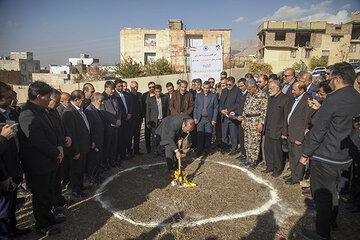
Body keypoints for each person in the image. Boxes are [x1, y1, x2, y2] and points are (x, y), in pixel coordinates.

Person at [300, 62, 360, 240]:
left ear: (339, 79)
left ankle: (322, 233)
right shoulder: (357, 97)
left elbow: (319, 130)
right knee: (334, 192)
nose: (328, 80)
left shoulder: (333, 99)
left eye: (330, 77)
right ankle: (331, 222)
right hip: (345, 157)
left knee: (324, 196)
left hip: (327, 157)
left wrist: (306, 153)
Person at [19, 81, 65, 236]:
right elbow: (38, 141)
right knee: (40, 195)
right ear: (39, 96)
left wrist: (58, 147)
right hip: (38, 163)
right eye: (47, 96)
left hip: (49, 159)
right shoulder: (27, 113)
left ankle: (48, 216)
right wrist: (55, 152)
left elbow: (51, 132)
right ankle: (42, 225)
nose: (49, 99)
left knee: (48, 192)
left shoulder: (41, 110)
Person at [0, 82, 31, 239]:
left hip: (14, 164)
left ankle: (13, 228)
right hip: (4, 171)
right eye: (8, 96)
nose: (13, 98)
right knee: (3, 209)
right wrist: (3, 175)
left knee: (11, 205)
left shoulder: (10, 114)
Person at [282, 82, 313, 185]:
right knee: (292, 156)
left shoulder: (307, 100)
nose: (292, 91)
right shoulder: (296, 99)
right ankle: (293, 173)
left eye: (294, 90)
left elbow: (306, 121)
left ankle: (297, 177)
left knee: (297, 157)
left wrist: (300, 138)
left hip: (298, 135)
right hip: (292, 133)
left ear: (302, 90)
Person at [62, 90, 91, 198]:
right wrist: (75, 151)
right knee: (76, 170)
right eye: (82, 100)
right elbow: (71, 134)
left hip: (83, 146)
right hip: (77, 148)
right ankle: (76, 190)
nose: (84, 102)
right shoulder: (69, 112)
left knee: (81, 169)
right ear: (76, 100)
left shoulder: (79, 110)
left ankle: (80, 186)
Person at [262, 81, 293, 177]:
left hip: (277, 130)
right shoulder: (271, 98)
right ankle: (270, 166)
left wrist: (284, 132)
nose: (269, 90)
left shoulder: (285, 99)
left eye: (271, 89)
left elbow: (286, 117)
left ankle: (277, 168)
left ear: (278, 88)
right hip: (268, 128)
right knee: (268, 149)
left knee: (277, 151)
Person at [47, 89, 69, 209]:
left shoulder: (54, 111)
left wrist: (66, 136)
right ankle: (52, 204)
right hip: (51, 151)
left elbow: (60, 127)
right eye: (56, 102)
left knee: (57, 178)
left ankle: (58, 198)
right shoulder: (44, 113)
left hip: (60, 147)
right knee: (51, 180)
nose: (58, 104)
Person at [240, 79, 268, 168]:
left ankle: (254, 160)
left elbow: (264, 110)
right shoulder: (249, 95)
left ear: (255, 87)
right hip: (247, 120)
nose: (248, 91)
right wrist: (243, 119)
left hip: (255, 121)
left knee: (254, 142)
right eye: (247, 89)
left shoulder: (262, 95)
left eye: (249, 89)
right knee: (247, 141)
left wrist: (261, 123)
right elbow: (245, 107)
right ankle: (248, 158)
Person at [193, 81, 218, 157]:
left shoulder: (213, 96)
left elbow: (216, 108)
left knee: (208, 135)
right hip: (200, 119)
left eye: (207, 88)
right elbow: (196, 107)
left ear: (209, 88)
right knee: (200, 135)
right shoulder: (198, 95)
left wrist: (214, 119)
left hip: (209, 119)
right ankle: (200, 151)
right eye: (204, 88)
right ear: (202, 87)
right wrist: (195, 117)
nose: (206, 90)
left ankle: (207, 150)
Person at [84, 93, 105, 184]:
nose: (102, 103)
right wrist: (92, 141)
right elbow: (90, 128)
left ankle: (97, 175)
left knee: (97, 159)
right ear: (95, 101)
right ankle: (93, 177)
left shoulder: (96, 110)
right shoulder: (89, 111)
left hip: (99, 139)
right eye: (101, 101)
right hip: (94, 141)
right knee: (93, 160)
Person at [220, 76, 242, 155]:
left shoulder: (237, 91)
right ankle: (224, 148)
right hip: (224, 116)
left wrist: (229, 110)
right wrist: (221, 110)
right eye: (227, 84)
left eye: (229, 84)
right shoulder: (224, 90)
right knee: (224, 134)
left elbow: (238, 104)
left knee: (233, 134)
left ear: (234, 83)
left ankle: (234, 149)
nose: (228, 86)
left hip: (232, 116)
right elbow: (221, 102)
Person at [101, 81, 121, 167]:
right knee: (107, 145)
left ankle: (113, 161)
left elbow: (119, 110)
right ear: (106, 89)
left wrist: (119, 119)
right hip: (108, 125)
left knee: (114, 144)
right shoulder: (102, 98)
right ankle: (106, 162)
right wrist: (114, 121)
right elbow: (103, 112)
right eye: (111, 89)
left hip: (116, 125)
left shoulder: (115, 98)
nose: (113, 91)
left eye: (113, 89)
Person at [146, 85, 169, 155]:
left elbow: (167, 110)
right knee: (154, 136)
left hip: (163, 120)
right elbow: (148, 111)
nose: (158, 93)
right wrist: (148, 122)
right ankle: (154, 151)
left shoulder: (165, 98)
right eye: (156, 91)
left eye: (159, 91)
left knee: (162, 136)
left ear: (161, 91)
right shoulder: (150, 99)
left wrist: (167, 119)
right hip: (154, 121)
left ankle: (161, 150)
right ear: (154, 92)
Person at [114, 79, 133, 160]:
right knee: (121, 138)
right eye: (119, 86)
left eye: (122, 86)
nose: (121, 88)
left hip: (128, 119)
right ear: (115, 86)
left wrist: (130, 113)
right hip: (120, 120)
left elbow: (131, 105)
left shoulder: (126, 94)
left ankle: (128, 152)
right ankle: (122, 155)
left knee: (128, 137)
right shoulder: (114, 95)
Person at [129, 81, 143, 155]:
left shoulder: (140, 95)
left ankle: (136, 150)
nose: (135, 88)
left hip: (138, 118)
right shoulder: (128, 96)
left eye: (136, 86)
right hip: (131, 119)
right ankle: (130, 150)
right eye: (134, 87)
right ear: (131, 87)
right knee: (131, 136)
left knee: (137, 135)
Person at [142, 81, 156, 153]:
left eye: (153, 87)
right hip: (147, 117)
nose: (151, 89)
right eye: (150, 87)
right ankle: (148, 148)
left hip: (155, 117)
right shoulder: (144, 95)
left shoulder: (157, 94)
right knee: (147, 134)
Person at [236, 78, 247, 160]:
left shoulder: (248, 94)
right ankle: (243, 154)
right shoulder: (240, 93)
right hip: (239, 118)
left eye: (242, 86)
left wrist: (242, 117)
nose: (240, 88)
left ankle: (247, 155)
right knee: (241, 138)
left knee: (246, 138)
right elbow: (238, 106)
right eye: (239, 86)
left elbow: (246, 108)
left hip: (246, 120)